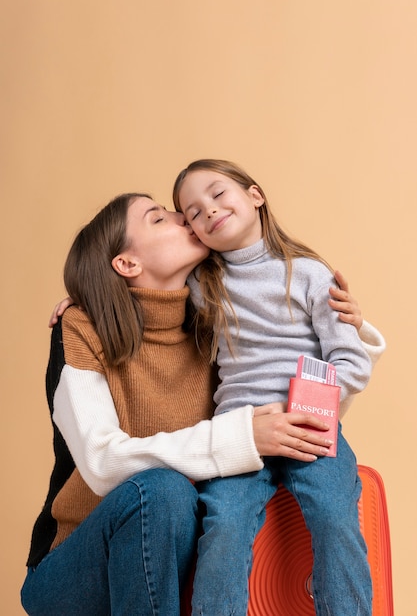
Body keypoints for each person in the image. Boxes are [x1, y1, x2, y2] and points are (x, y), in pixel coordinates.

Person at [20, 192, 383, 616]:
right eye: (159, 218)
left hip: (171, 559)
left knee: (207, 501)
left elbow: (300, 415)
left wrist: (347, 328)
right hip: (74, 571)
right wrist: (243, 435)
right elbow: (103, 463)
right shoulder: (82, 328)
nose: (182, 218)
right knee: (161, 489)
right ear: (127, 264)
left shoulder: (212, 326)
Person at [173, 159, 385, 616]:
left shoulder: (309, 273)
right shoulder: (200, 287)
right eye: (192, 212)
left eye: (217, 194)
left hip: (309, 422)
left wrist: (299, 407)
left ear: (255, 195)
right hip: (240, 431)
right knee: (224, 525)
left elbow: (350, 362)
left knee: (335, 516)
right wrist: (85, 299)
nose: (207, 211)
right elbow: (140, 300)